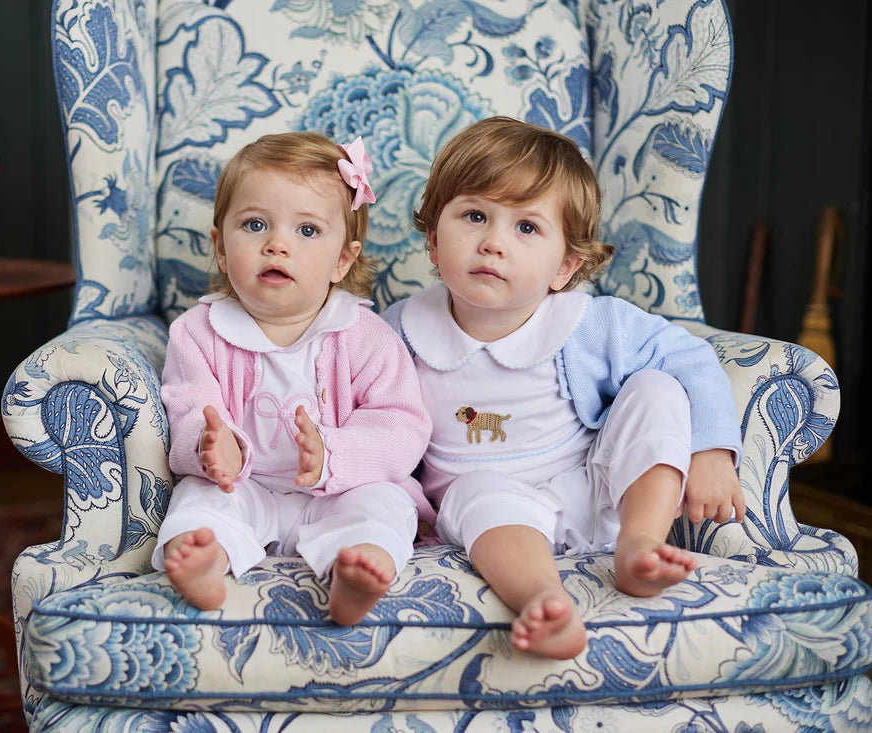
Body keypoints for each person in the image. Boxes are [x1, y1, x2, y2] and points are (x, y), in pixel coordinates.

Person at [383, 116, 746, 658]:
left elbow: (690, 357)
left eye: (526, 228)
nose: (493, 243)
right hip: (486, 511)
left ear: (565, 266)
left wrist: (712, 450)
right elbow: (356, 400)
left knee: (656, 386)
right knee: (479, 491)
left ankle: (639, 544)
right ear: (434, 241)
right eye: (475, 216)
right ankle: (543, 600)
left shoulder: (590, 324)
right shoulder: (400, 329)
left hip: (589, 492)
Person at [153, 131, 433, 626]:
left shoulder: (366, 336)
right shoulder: (198, 333)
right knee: (199, 500)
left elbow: (401, 425)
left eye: (307, 231)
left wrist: (335, 454)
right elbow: (189, 404)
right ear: (220, 247)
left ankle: (358, 569)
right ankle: (205, 560)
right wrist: (213, 443)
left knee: (384, 504)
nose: (277, 244)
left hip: (340, 491)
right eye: (255, 224)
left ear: (342, 260)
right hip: (246, 486)